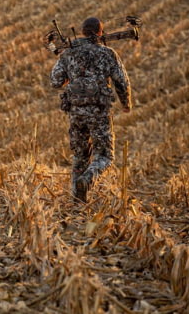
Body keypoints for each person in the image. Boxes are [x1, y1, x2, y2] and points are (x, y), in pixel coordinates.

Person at [50, 17, 132, 203]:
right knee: (104, 156)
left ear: (82, 32)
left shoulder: (68, 54)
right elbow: (121, 81)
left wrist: (72, 75)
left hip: (76, 112)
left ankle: (76, 199)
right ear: (100, 32)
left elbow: (55, 81)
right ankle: (87, 180)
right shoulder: (108, 53)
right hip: (99, 111)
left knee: (80, 155)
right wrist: (126, 104)